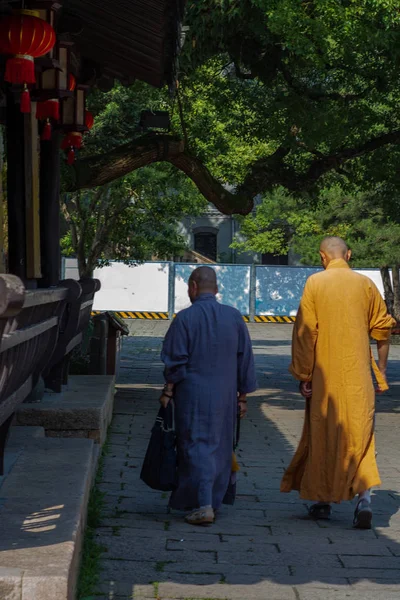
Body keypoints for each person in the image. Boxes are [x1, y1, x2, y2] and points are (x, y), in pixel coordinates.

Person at [280, 236, 396, 529]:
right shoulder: (365, 285)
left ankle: (322, 501)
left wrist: (304, 375)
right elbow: (383, 330)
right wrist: (380, 372)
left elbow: (306, 334)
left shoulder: (316, 284)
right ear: (349, 254)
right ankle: (364, 501)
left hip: (325, 379)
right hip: (358, 378)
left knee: (324, 437)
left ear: (322, 257)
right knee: (361, 437)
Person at [160, 266, 257, 525]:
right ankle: (212, 500)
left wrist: (168, 390)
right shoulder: (234, 317)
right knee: (220, 446)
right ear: (216, 289)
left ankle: (203, 504)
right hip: (225, 395)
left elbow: (175, 360)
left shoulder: (185, 318)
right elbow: (245, 360)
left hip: (192, 393)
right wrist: (242, 396)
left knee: (195, 445)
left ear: (192, 286)